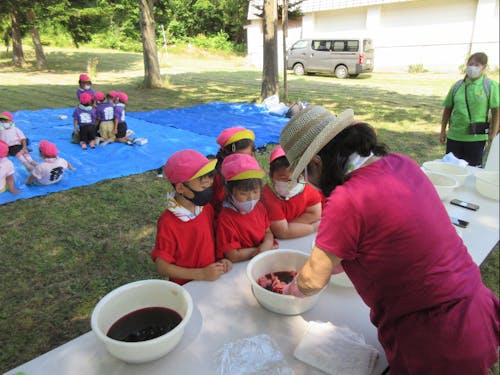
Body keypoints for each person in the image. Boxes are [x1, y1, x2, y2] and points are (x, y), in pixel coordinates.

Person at [280, 105, 499, 374]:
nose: (308, 182)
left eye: (305, 175)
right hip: (474, 308)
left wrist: (291, 289)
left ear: (316, 164)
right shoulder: (401, 162)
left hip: (437, 339)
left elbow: (312, 279)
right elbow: (392, 235)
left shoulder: (347, 199)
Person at [151, 149, 233, 285]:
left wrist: (221, 259)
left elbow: (211, 239)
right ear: (181, 188)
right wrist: (200, 274)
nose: (208, 189)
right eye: (202, 186)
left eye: (209, 183)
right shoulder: (168, 222)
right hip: (187, 287)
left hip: (209, 279)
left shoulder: (206, 208)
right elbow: (162, 266)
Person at [440, 52, 499, 166]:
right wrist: (443, 130)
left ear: (484, 67)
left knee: (472, 172)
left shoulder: (490, 86)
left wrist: (493, 134)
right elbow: (447, 109)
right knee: (451, 168)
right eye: (470, 64)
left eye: (477, 65)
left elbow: (496, 112)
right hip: (454, 136)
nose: (472, 67)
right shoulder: (457, 86)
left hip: (476, 138)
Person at [216, 153, 278, 262]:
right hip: (242, 265)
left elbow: (267, 232)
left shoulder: (259, 207)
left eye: (255, 192)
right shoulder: (226, 219)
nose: (251, 198)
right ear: (228, 192)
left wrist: (267, 243)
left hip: (262, 257)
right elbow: (233, 255)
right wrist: (259, 251)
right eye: (243, 194)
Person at [261, 145, 322, 239]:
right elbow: (282, 233)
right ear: (271, 176)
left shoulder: (308, 187)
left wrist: (290, 228)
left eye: (297, 178)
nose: (291, 184)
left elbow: (315, 214)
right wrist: (312, 228)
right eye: (283, 179)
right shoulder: (268, 196)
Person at [211, 126, 256, 215]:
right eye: (238, 158)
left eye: (248, 156)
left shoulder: (253, 171)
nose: (244, 162)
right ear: (225, 155)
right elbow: (216, 206)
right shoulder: (217, 177)